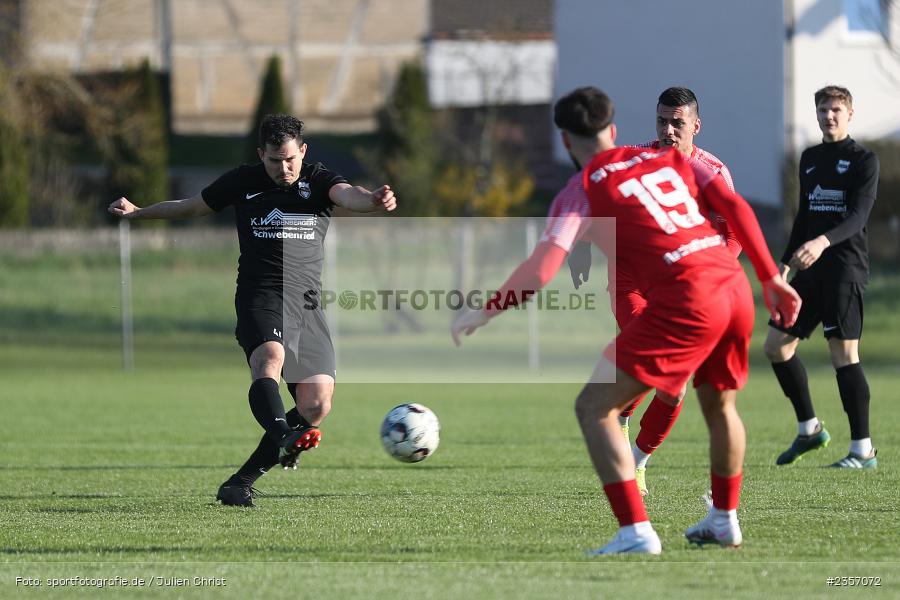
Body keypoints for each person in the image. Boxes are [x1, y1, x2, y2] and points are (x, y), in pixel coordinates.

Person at [452, 87, 800, 554]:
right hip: (732, 288)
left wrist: (485, 310)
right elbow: (737, 209)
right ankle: (723, 519)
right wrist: (769, 277)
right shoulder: (672, 163)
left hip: (686, 298)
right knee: (720, 408)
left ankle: (636, 531)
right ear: (613, 131)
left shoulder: (582, 188)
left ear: (564, 140)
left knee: (594, 408)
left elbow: (542, 268)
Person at [108, 114, 397, 506]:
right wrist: (138, 213)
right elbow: (192, 206)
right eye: (275, 160)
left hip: (307, 304)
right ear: (262, 154)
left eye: (291, 159)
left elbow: (350, 194)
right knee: (269, 360)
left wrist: (374, 201)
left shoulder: (319, 180)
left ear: (303, 152)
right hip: (260, 295)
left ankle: (239, 483)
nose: (285, 168)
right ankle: (283, 435)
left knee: (316, 404)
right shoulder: (242, 181)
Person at [566, 87, 741, 496]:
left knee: (675, 384)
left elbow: (735, 233)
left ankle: (639, 461)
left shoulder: (713, 172)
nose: (667, 129)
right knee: (666, 374)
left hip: (688, 293)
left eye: (677, 122)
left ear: (695, 126)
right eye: (662, 120)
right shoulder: (633, 161)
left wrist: (718, 274)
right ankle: (625, 428)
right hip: (632, 285)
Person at [763, 85, 879, 468]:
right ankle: (809, 429)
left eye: (836, 110)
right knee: (776, 344)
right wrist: (782, 265)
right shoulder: (810, 157)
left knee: (843, 355)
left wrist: (823, 243)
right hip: (809, 271)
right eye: (823, 110)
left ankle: (862, 450)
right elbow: (803, 215)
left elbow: (858, 217)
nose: (829, 116)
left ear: (850, 113)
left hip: (844, 269)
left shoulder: (863, 160)